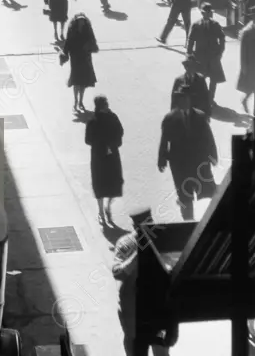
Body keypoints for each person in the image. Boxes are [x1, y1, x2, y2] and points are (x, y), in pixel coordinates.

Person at [112, 210, 178, 356]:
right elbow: (117, 272)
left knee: (161, 350)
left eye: (149, 223)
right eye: (141, 225)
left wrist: (173, 324)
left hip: (157, 308)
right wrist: (139, 252)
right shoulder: (126, 244)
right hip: (132, 309)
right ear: (134, 226)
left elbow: (173, 272)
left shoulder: (162, 242)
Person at [158, 85, 218, 221]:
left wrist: (213, 155)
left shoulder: (200, 116)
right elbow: (164, 140)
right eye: (181, 98)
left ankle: (213, 219)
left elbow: (209, 138)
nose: (184, 101)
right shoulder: (169, 118)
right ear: (178, 101)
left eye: (186, 98)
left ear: (190, 100)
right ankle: (188, 222)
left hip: (199, 162)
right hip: (180, 165)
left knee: (209, 191)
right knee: (185, 196)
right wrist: (162, 158)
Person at [85, 95, 124, 226]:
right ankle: (104, 210)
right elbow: (120, 132)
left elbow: (88, 140)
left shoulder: (95, 120)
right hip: (109, 155)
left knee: (101, 183)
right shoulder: (110, 118)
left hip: (99, 156)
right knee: (112, 182)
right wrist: (111, 144)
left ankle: (103, 210)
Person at [186, 2, 226, 102]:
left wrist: (220, 52)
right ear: (201, 13)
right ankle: (203, 97)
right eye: (205, 13)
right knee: (200, 78)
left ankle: (211, 98)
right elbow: (191, 40)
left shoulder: (215, 25)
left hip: (213, 57)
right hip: (200, 56)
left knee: (214, 79)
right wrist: (189, 54)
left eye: (209, 13)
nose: (207, 15)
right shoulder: (196, 25)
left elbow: (222, 38)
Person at [62, 13, 98, 112]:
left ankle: (81, 101)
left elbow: (93, 42)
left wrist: (89, 46)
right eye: (79, 20)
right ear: (76, 21)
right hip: (75, 58)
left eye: (83, 20)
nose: (81, 22)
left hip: (85, 57)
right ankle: (75, 101)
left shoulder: (88, 30)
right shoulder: (72, 30)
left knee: (83, 82)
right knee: (76, 81)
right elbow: (68, 42)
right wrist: (64, 53)